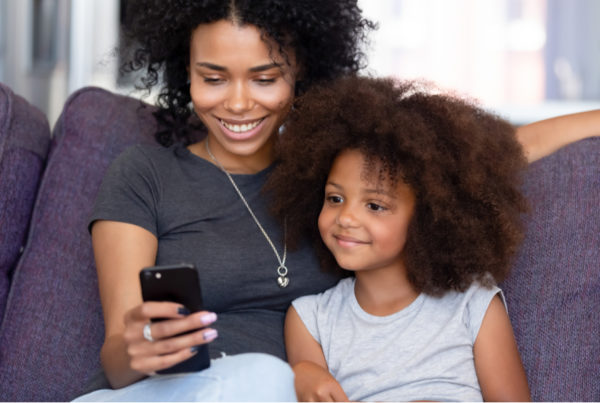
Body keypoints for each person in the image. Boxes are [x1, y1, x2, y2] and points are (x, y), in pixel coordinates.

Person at [76, 0, 598, 401]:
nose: (238, 102)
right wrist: (139, 346)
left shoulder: (333, 171)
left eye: (265, 77)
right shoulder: (144, 174)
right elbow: (119, 359)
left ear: (300, 72)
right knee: (267, 379)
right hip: (168, 392)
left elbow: (474, 154)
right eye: (213, 78)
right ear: (182, 73)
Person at [266, 75, 532, 401]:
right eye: (335, 198)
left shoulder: (473, 305)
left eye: (375, 205)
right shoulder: (311, 319)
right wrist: (299, 374)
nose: (346, 218)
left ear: (427, 217)